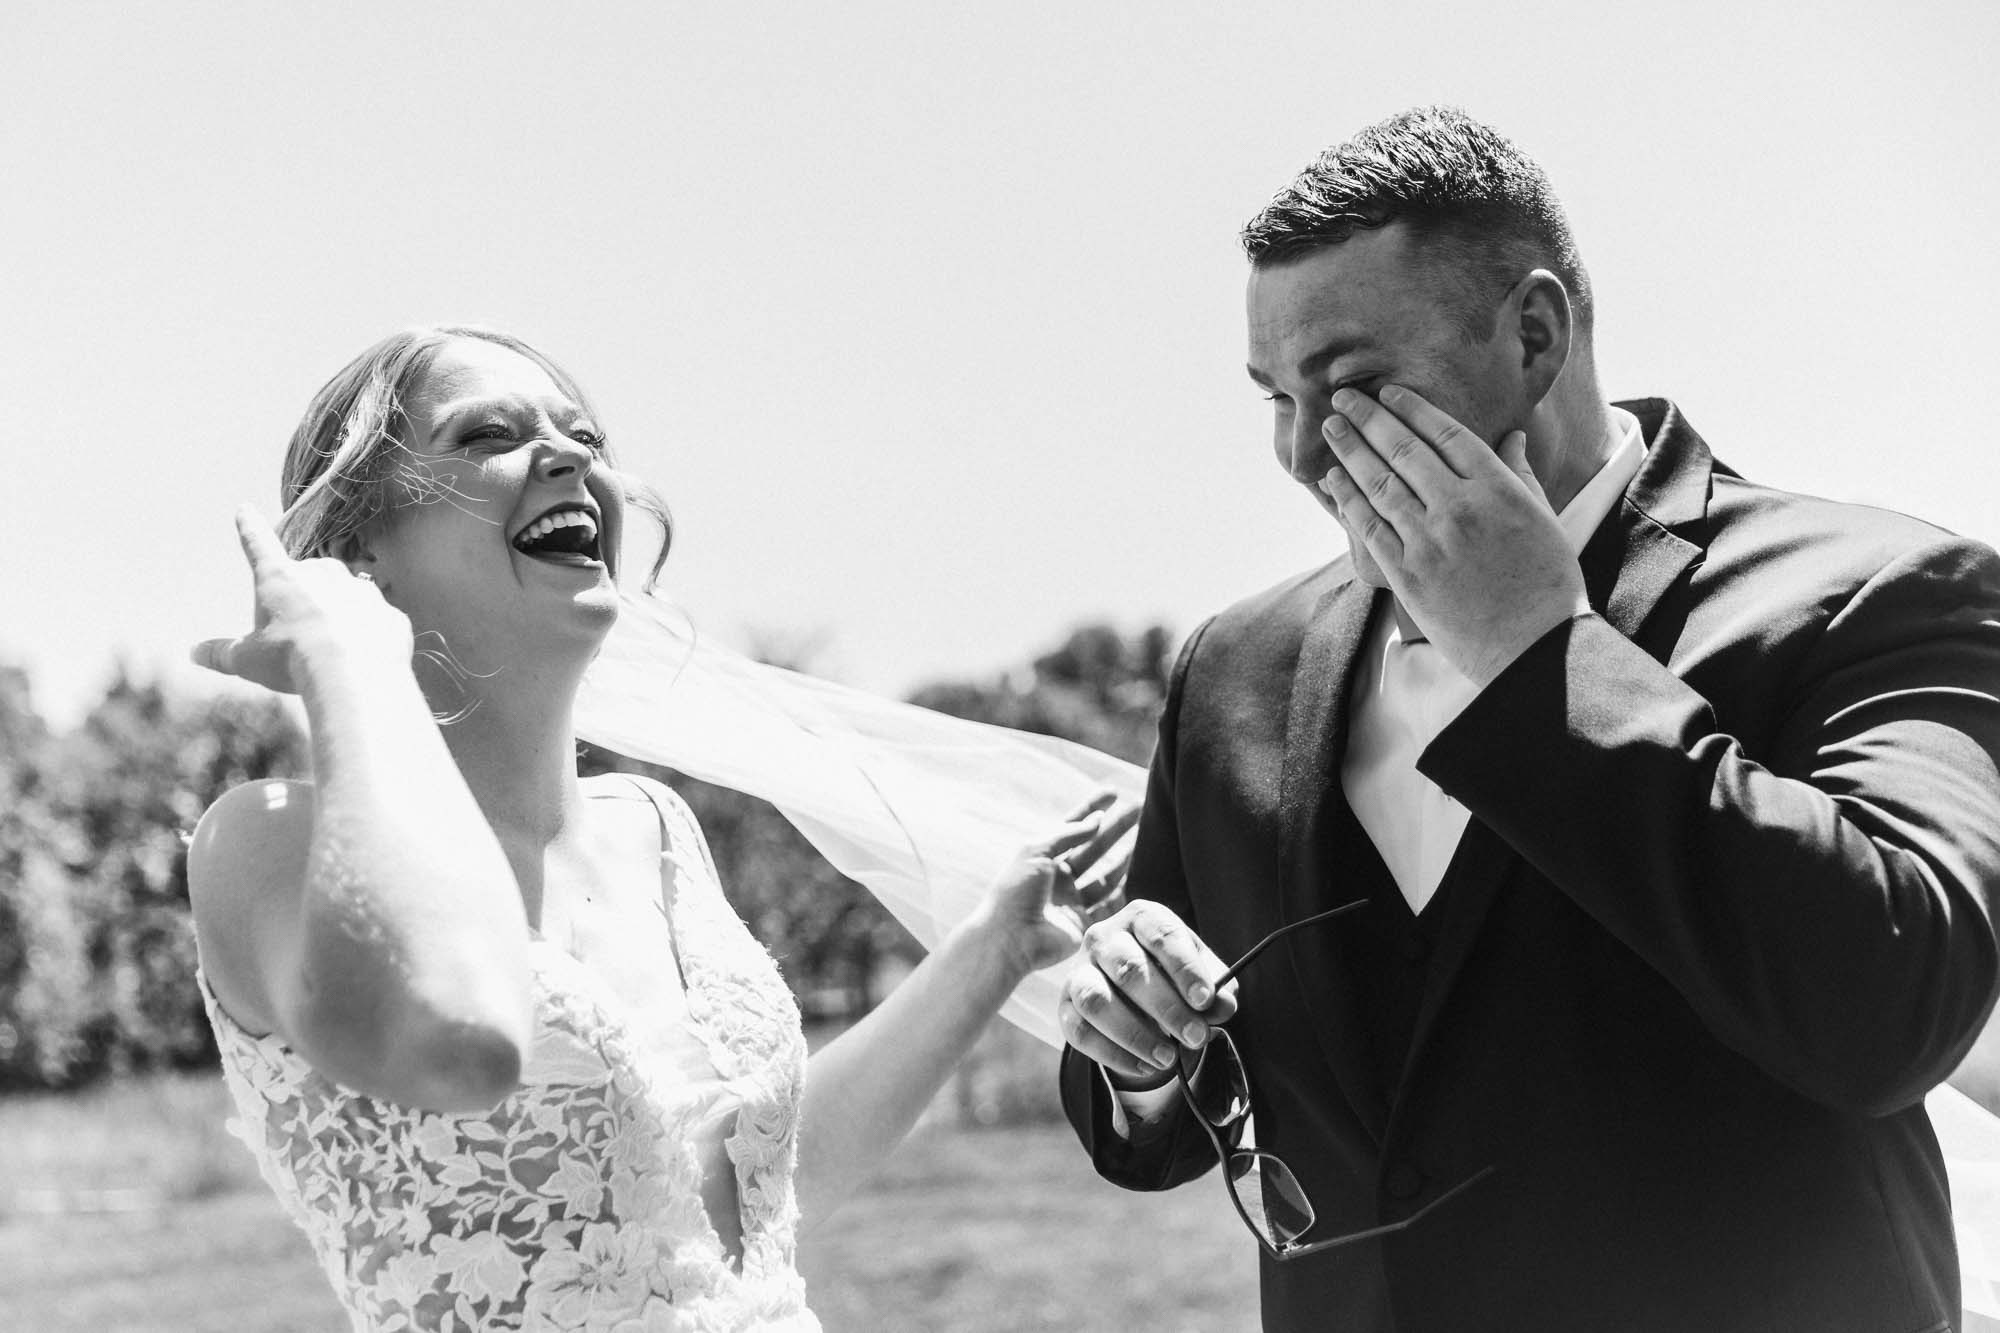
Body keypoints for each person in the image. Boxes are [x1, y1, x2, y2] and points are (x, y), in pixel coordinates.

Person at [1055, 105, 2000, 1332]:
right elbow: (1171, 1113)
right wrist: (1132, 1051)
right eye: (1272, 397)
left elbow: (1893, 1010)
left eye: (1349, 384)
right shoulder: (1234, 665)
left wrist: (1537, 656)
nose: (1298, 452)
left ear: (1535, 336)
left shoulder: (1876, 592)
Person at [186, 326, 1131, 1332]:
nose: (570, 457)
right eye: (488, 434)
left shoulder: (655, 829)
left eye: (582, 434)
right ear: (357, 550)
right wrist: (352, 664)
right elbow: (454, 1042)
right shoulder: (266, 843)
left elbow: (745, 1196)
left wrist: (986, 953)